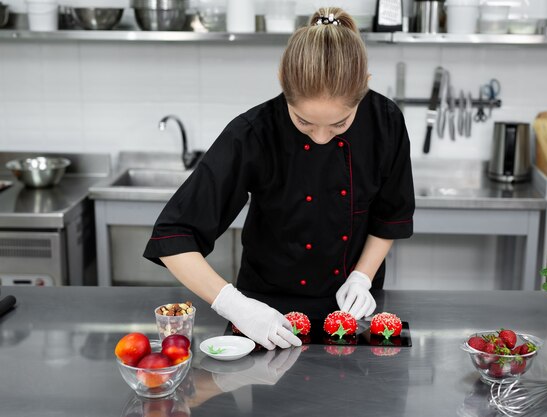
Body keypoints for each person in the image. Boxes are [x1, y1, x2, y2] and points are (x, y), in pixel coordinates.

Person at [143, 7, 415, 351]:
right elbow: (173, 237)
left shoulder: (385, 122)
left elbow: (388, 216)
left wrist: (362, 277)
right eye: (304, 122)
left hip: (356, 310)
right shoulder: (254, 133)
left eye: (339, 125)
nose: (320, 137)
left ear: (364, 88)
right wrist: (235, 305)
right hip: (264, 310)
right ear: (282, 83)